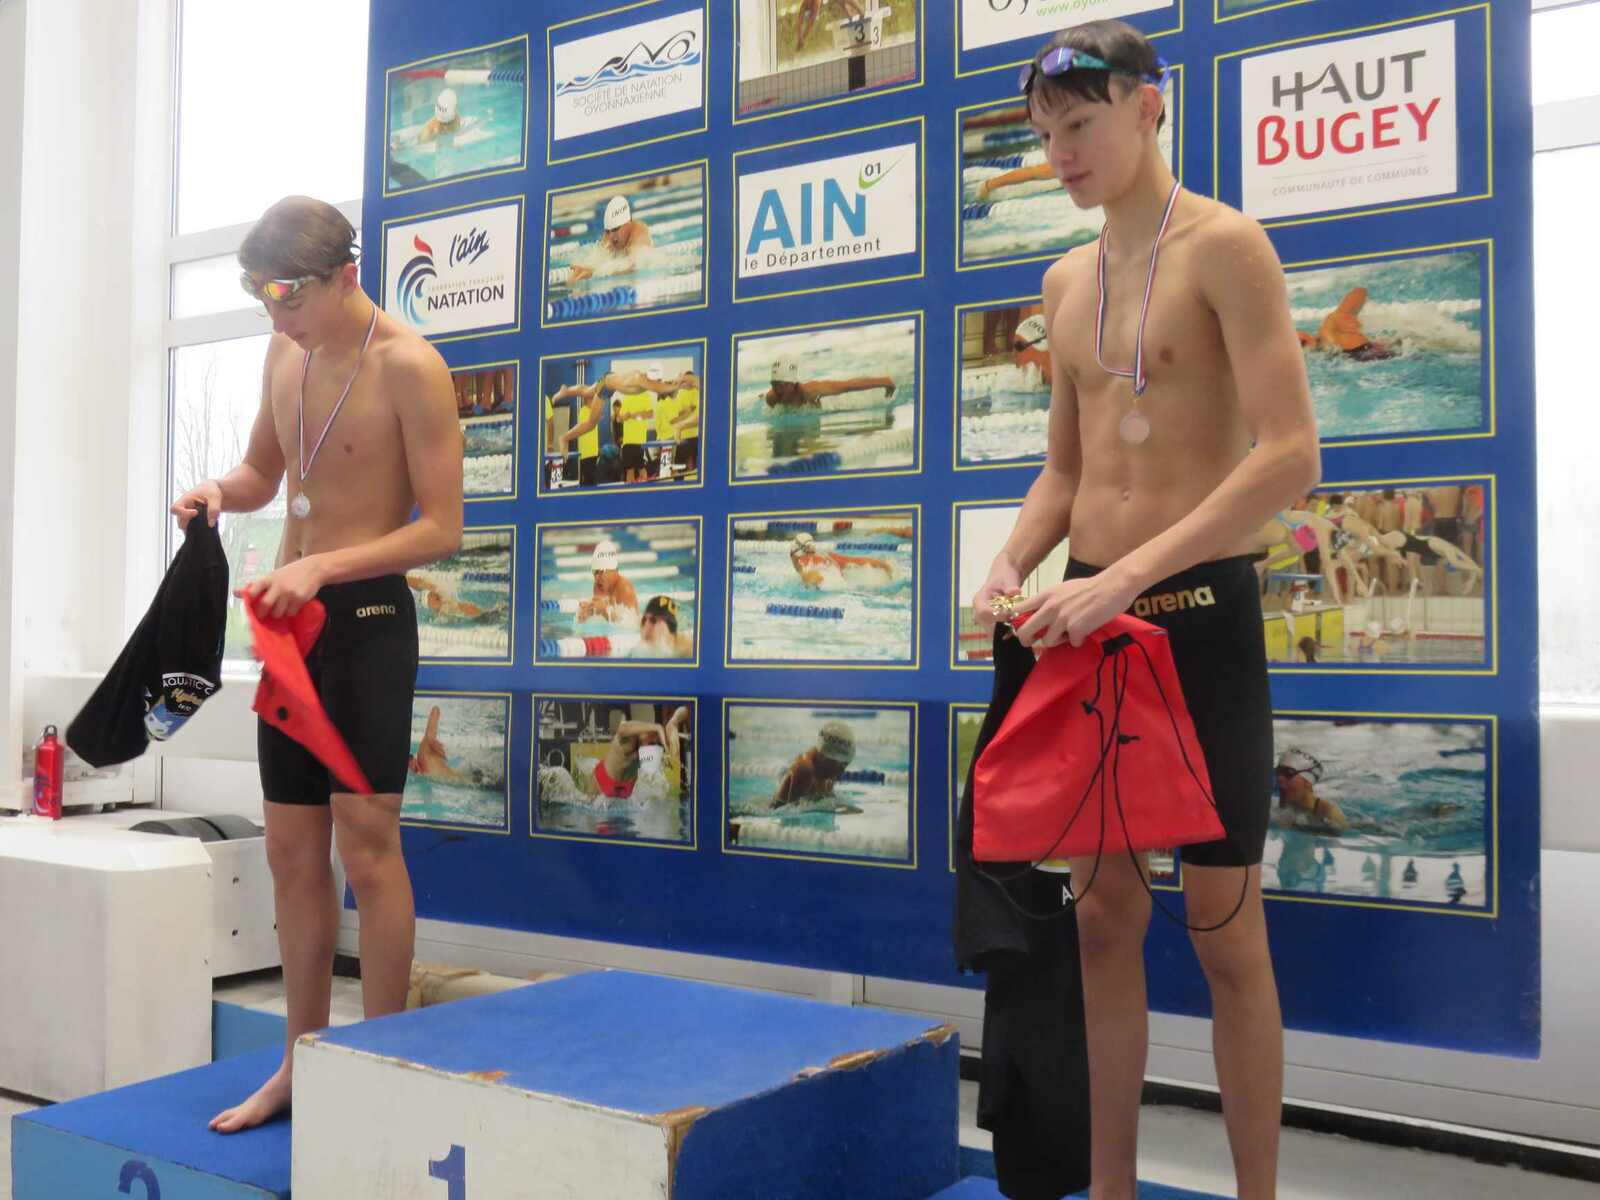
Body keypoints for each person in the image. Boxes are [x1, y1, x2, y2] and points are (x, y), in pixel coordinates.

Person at [971, 22, 1321, 1199]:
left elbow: (1290, 456)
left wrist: (1127, 577)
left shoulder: (1227, 247)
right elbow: (1065, 470)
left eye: (1079, 125)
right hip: (1088, 632)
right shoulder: (1064, 280)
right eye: (1045, 135)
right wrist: (1010, 562)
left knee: (1225, 933)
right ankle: (1111, 1189)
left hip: (1197, 618)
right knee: (1102, 921)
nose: (1061, 153)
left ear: (1147, 107)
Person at [169, 196, 463, 1133]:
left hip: (366, 622)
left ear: (346, 274)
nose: (277, 315)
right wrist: (218, 492)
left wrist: (326, 566)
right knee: (291, 851)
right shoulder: (284, 352)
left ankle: (382, 1069)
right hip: (290, 630)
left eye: (288, 296)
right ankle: (299, 1063)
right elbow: (265, 475)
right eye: (261, 297)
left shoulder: (410, 366)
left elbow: (441, 529)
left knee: (367, 848)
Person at [593, 705, 689, 801]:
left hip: (627, 788)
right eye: (652, 739)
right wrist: (658, 727)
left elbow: (685, 710)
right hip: (604, 780)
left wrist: (672, 726)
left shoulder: (654, 744)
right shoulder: (630, 739)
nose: (654, 742)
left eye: (654, 742)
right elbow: (622, 728)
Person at [1294, 287, 1398, 362]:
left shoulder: (1330, 326)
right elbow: (1360, 291)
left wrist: (1343, 318)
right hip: (1380, 355)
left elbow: (1360, 292)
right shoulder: (1328, 335)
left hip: (1381, 354)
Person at [771, 720, 858, 809]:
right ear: (825, 758)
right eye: (841, 766)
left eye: (845, 766)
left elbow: (827, 800)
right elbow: (789, 812)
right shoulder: (805, 770)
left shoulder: (826, 770)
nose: (841, 772)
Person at [568, 195, 653, 284]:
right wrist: (583, 267)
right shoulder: (609, 237)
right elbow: (599, 258)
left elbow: (634, 266)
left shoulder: (638, 232)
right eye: (608, 231)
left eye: (615, 229)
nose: (611, 237)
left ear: (628, 223)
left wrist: (594, 273)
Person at [764, 357, 896, 408]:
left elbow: (848, 386)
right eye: (774, 384)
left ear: (793, 383)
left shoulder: (812, 391)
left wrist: (884, 382)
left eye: (781, 385)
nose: (777, 389)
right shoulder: (772, 398)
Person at [1272, 748, 1347, 834]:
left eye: (1288, 773)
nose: (1279, 778)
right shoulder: (1278, 807)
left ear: (1308, 782)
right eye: (1278, 772)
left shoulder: (1329, 814)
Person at [787, 531, 894, 590]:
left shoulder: (802, 561)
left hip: (832, 591)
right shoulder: (828, 557)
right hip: (847, 587)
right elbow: (858, 561)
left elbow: (815, 577)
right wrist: (884, 565)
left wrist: (807, 581)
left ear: (794, 554)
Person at [577, 540, 639, 624]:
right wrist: (588, 611)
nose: (596, 577)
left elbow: (630, 625)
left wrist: (604, 611)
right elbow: (599, 619)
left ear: (614, 570)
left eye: (601, 571)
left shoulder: (625, 589)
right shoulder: (599, 584)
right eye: (595, 572)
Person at [635, 594, 694, 658]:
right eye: (644, 620)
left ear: (670, 625)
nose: (646, 627)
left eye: (653, 620)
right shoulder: (639, 651)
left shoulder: (689, 650)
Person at [794, 0, 864, 53]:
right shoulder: (804, 5)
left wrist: (802, 39)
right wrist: (800, 38)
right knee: (841, 3)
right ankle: (853, 16)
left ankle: (860, 11)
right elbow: (799, 23)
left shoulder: (816, 2)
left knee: (842, 2)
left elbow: (811, 22)